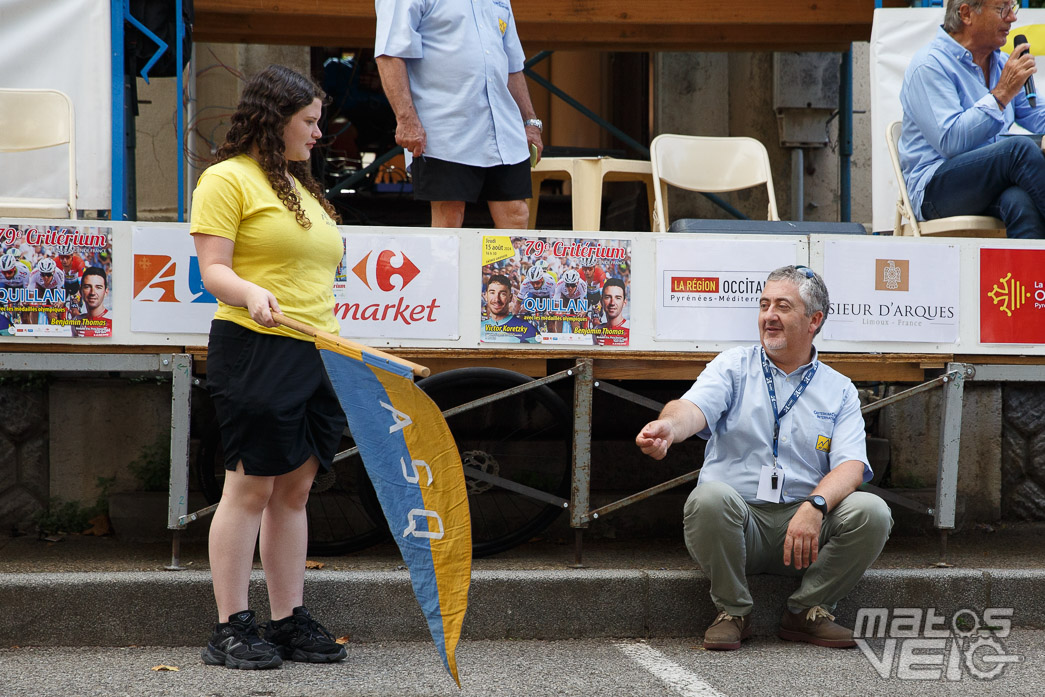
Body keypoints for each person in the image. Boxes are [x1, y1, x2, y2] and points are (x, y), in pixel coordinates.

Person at [635, 266, 892, 651]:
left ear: (814, 320)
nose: (768, 316)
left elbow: (851, 465)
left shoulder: (838, 389)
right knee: (707, 499)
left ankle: (807, 611)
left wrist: (815, 506)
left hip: (806, 530)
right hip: (740, 525)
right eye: (764, 305)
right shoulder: (732, 366)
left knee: (872, 512)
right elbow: (691, 408)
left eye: (783, 306)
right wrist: (669, 427)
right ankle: (733, 612)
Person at [190, 65, 348, 670]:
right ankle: (230, 626)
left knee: (296, 489)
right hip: (256, 344)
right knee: (250, 486)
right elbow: (214, 270)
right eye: (309, 121)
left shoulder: (300, 185)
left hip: (317, 348)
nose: (318, 132)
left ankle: (286, 620)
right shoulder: (227, 179)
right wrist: (250, 292)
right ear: (274, 117)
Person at [374, 0, 544, 229]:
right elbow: (389, 53)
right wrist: (406, 119)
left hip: (502, 126)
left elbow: (512, 64)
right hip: (446, 125)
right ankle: (447, 267)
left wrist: (530, 122)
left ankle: (505, 266)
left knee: (516, 213)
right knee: (450, 214)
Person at [900, 0, 1045, 239]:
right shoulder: (929, 65)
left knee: (1020, 202)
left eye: (1013, 7)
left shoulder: (1000, 62)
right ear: (966, 14)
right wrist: (1001, 94)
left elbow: (1036, 114)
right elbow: (951, 141)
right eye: (1002, 9)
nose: (1012, 18)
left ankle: (1030, 276)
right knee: (1018, 150)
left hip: (990, 182)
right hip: (936, 189)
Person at [481, 273, 538, 343]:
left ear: (510, 297)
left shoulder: (528, 330)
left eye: (503, 294)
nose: (496, 299)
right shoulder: (478, 328)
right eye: (492, 293)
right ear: (486, 296)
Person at [71, 266, 112, 337]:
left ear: (106, 292)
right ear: (80, 291)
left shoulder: (115, 320)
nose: (92, 292)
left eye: (98, 287)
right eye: (87, 287)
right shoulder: (76, 322)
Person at [595, 278, 628, 346]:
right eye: (608, 297)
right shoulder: (596, 330)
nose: (612, 303)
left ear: (624, 303)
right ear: (601, 302)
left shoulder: (631, 329)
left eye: (618, 298)